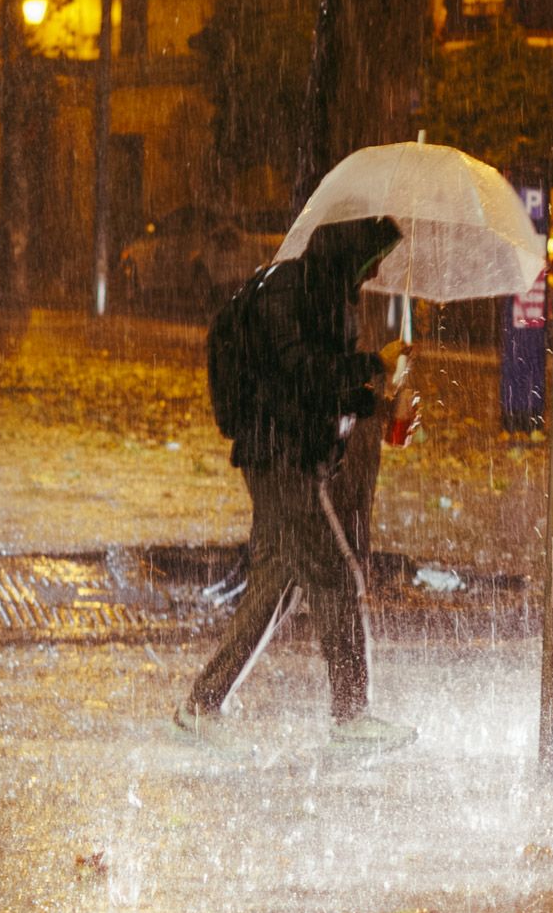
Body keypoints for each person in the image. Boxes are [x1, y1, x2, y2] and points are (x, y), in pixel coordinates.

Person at [175, 215, 417, 754]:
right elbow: (300, 374)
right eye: (374, 256)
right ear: (353, 249)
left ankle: (202, 703)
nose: (377, 268)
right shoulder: (289, 289)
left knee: (278, 584)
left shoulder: (333, 297)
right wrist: (369, 364)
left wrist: (380, 402)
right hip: (276, 454)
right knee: (335, 574)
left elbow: (329, 389)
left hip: (297, 455)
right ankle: (352, 715)